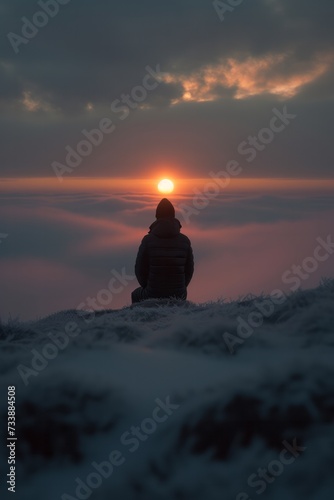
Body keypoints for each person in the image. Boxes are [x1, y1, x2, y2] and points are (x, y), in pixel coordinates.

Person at [131, 198, 194, 303]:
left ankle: (140, 318)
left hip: (152, 294)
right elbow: (189, 271)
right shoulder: (185, 241)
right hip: (178, 295)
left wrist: (147, 286)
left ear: (157, 217)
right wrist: (181, 287)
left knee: (135, 295)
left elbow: (139, 270)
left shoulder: (148, 240)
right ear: (173, 215)